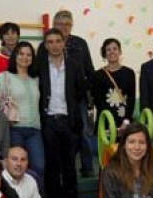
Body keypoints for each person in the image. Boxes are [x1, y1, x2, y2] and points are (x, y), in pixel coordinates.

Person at [37, 10, 96, 178]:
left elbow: (89, 70)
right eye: (60, 24)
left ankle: (87, 168)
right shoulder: (44, 45)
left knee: (83, 132)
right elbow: (38, 71)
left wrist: (86, 90)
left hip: (78, 99)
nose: (63, 27)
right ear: (54, 25)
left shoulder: (80, 43)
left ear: (71, 26)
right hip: (54, 101)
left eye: (67, 24)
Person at [38, 28, 88, 198]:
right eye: (50, 42)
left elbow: (81, 90)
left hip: (68, 120)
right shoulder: (40, 66)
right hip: (49, 120)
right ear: (45, 45)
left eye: (58, 41)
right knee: (52, 163)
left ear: (63, 43)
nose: (54, 45)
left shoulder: (74, 64)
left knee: (69, 163)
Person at [0, 41, 44, 177]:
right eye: (21, 54)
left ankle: (35, 197)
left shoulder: (36, 79)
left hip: (35, 130)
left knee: (39, 167)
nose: (25, 57)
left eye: (29, 55)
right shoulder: (4, 77)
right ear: (15, 56)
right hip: (14, 129)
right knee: (17, 169)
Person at [91, 38, 136, 127]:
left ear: (120, 51)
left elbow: (131, 98)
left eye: (115, 49)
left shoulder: (129, 73)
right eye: (108, 49)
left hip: (124, 121)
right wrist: (110, 122)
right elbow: (98, 102)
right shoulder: (97, 75)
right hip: (105, 121)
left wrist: (126, 121)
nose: (112, 52)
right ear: (104, 53)